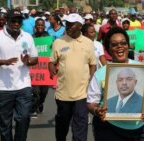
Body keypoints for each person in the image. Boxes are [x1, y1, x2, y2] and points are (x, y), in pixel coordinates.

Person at [87, 27, 144, 141]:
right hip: (109, 129)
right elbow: (91, 102)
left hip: (140, 129)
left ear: (128, 45)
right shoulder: (100, 74)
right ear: (109, 49)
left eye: (123, 43)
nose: (119, 46)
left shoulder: (142, 69)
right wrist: (97, 111)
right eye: (114, 44)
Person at [48, 13, 97, 141]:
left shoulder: (88, 43)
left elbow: (93, 65)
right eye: (67, 24)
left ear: (80, 26)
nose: (68, 26)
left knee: (80, 126)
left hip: (82, 93)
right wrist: (51, 67)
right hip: (63, 93)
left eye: (71, 24)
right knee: (62, 125)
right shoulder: (59, 42)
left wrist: (91, 81)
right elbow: (52, 61)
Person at [0, 9, 38, 141]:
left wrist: (28, 61)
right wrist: (4, 62)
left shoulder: (27, 36)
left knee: (24, 118)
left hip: (24, 86)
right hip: (3, 87)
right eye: (13, 21)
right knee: (5, 124)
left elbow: (35, 58)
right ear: (7, 21)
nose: (16, 23)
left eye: (19, 21)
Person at [31, 18, 52, 118]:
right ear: (35, 27)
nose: (40, 27)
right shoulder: (31, 38)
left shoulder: (48, 37)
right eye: (38, 25)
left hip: (45, 69)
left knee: (44, 91)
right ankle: (33, 109)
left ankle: (40, 103)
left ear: (44, 26)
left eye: (41, 25)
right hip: (34, 69)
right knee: (35, 91)